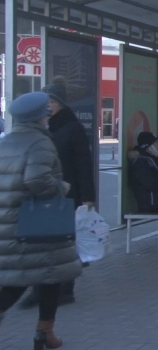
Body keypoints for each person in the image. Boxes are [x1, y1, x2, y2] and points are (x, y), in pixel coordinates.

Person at [0, 91, 82, 349]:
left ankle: (45, 332)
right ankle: (43, 331)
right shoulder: (40, 143)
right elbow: (36, 181)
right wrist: (61, 187)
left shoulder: (6, 141)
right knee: (27, 279)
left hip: (10, 219)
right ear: (41, 117)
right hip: (37, 221)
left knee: (47, 275)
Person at [17, 78, 95, 309]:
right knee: (39, 245)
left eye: (52, 101)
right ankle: (39, 290)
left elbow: (83, 164)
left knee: (62, 246)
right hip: (41, 194)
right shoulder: (41, 126)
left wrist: (88, 197)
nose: (48, 105)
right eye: (45, 101)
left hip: (67, 196)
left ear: (61, 103)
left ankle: (64, 290)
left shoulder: (72, 127)